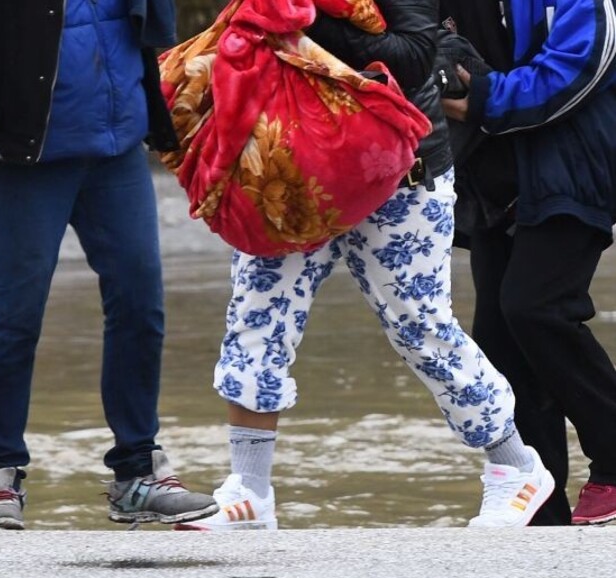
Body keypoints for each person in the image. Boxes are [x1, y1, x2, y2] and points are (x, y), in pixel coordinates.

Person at [182, 0, 557, 531]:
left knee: (420, 328)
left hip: (400, 170)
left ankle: (516, 468)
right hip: (294, 168)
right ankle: (249, 490)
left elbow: (412, 57)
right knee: (257, 316)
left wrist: (307, 15)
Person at [0, 0, 218, 529]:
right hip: (22, 152)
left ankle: (138, 472)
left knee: (141, 305)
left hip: (116, 145)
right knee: (15, 315)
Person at [440, 0, 616, 526]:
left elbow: (579, 68)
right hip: (490, 179)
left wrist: (482, 99)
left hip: (572, 165)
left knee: (536, 308)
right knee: (498, 338)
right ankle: (542, 508)